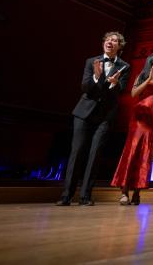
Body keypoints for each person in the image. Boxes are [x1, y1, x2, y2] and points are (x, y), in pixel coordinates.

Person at [56, 32, 131, 206]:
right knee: (77, 152)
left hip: (105, 115)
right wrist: (97, 77)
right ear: (104, 43)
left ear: (120, 46)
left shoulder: (124, 66)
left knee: (95, 154)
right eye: (108, 39)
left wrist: (113, 83)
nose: (110, 42)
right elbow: (85, 87)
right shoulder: (92, 61)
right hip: (84, 112)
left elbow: (121, 89)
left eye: (114, 40)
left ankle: (85, 196)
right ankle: (66, 195)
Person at [111, 51, 153, 205]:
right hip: (139, 119)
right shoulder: (143, 75)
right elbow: (134, 93)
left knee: (146, 154)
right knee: (132, 151)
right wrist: (148, 80)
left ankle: (137, 192)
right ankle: (124, 192)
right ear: (152, 60)